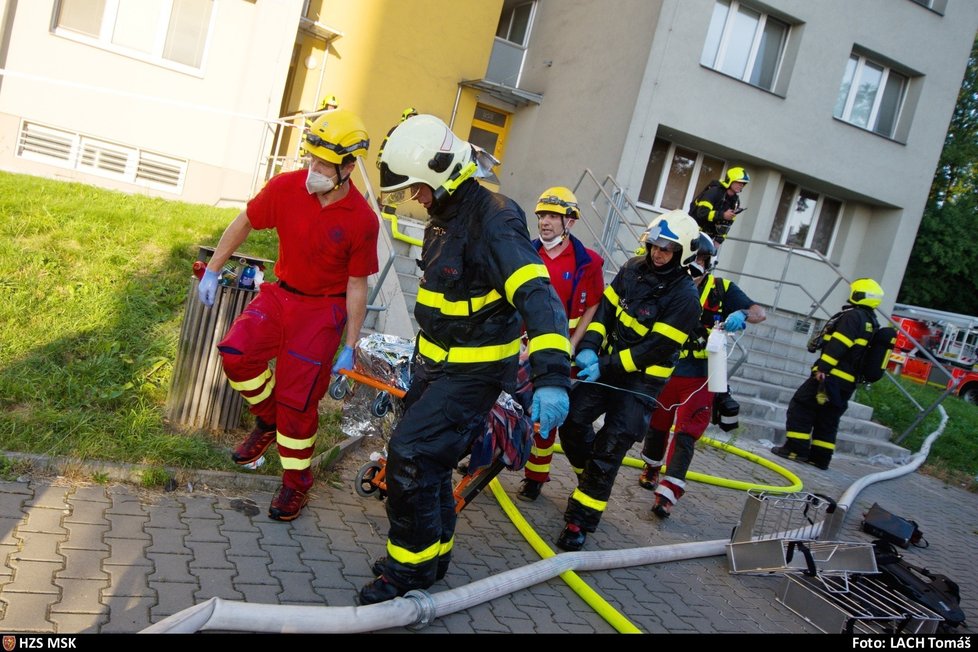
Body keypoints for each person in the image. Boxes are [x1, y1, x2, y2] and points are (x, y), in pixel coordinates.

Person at [360, 114, 572, 604]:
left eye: (418, 187)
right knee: (429, 463)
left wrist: (552, 377)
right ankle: (431, 558)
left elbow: (539, 297)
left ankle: (406, 575)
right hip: (436, 367)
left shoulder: (494, 218)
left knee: (410, 457)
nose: (415, 197)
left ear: (441, 173)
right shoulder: (446, 217)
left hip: (473, 372)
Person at [197, 109, 378, 522]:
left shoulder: (361, 221)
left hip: (322, 311)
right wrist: (213, 268)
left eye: (322, 164)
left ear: (348, 168)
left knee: (301, 405)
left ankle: (296, 485)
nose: (311, 169)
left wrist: (350, 344)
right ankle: (268, 420)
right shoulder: (286, 187)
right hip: (281, 296)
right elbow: (245, 221)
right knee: (237, 354)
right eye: (309, 159)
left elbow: (356, 285)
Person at [555, 210, 702, 552]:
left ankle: (579, 522)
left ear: (683, 253)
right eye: (654, 246)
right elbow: (605, 311)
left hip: (641, 384)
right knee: (573, 420)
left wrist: (603, 365)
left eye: (666, 249)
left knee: (610, 448)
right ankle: (590, 476)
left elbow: (652, 349)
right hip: (604, 367)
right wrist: (590, 347)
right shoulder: (633, 268)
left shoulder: (685, 298)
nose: (657, 253)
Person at [638, 234, 766, 518]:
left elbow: (760, 313)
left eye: (702, 260)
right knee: (657, 424)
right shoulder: (664, 285)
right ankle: (651, 466)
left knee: (687, 432)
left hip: (700, 375)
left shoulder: (722, 289)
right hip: (664, 370)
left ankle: (667, 493)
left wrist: (743, 314)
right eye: (691, 258)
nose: (696, 265)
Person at [517, 186, 605, 503]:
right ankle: (484, 456)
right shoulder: (525, 252)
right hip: (521, 346)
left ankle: (535, 477)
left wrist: (574, 343)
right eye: (542, 215)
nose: (545, 222)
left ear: (570, 221)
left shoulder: (588, 262)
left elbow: (594, 305)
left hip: (557, 353)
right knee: (501, 403)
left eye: (553, 216)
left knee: (546, 417)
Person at [772, 278, 885, 470]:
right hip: (847, 382)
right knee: (828, 419)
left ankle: (795, 450)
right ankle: (820, 458)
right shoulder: (871, 322)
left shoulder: (853, 317)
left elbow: (839, 344)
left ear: (858, 294)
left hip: (830, 377)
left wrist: (823, 368)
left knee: (801, 405)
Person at [689, 166, 749, 245]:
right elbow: (702, 213)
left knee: (709, 256)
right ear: (730, 180)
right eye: (739, 182)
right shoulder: (714, 192)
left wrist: (719, 240)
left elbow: (728, 224)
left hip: (709, 237)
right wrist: (723, 215)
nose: (741, 185)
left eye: (744, 183)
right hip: (693, 232)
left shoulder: (735, 201)